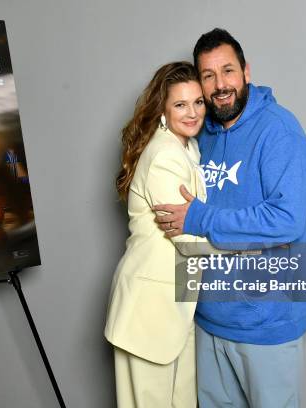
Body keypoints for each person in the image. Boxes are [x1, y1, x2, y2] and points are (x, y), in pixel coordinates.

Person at [153, 29, 306, 407]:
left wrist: (201, 218)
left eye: (227, 71)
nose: (220, 84)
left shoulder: (279, 130)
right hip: (209, 320)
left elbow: (286, 220)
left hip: (267, 322)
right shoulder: (199, 133)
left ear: (246, 71)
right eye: (208, 75)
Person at [103, 62, 212, 408]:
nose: (192, 113)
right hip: (149, 313)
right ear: (163, 109)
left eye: (198, 102)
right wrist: (254, 250)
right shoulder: (165, 155)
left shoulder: (185, 150)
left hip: (174, 309)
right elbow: (189, 240)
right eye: (180, 104)